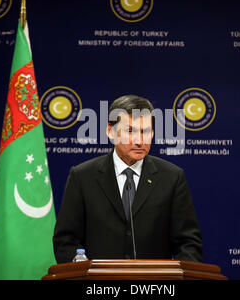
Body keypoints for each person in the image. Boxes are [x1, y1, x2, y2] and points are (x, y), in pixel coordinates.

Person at [53, 95, 203, 263]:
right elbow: (65, 241)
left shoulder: (172, 177)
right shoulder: (82, 176)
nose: (139, 140)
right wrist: (81, 267)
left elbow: (189, 243)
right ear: (110, 131)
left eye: (145, 131)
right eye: (130, 131)